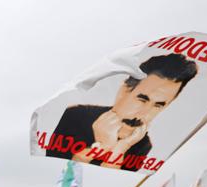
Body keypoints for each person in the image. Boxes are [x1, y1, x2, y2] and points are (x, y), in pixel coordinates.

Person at [47, 53, 198, 171]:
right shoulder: (74, 117)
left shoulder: (141, 144)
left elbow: (105, 184)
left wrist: (120, 148)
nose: (144, 113)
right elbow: (67, 178)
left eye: (158, 105)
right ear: (124, 90)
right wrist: (103, 146)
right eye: (142, 100)